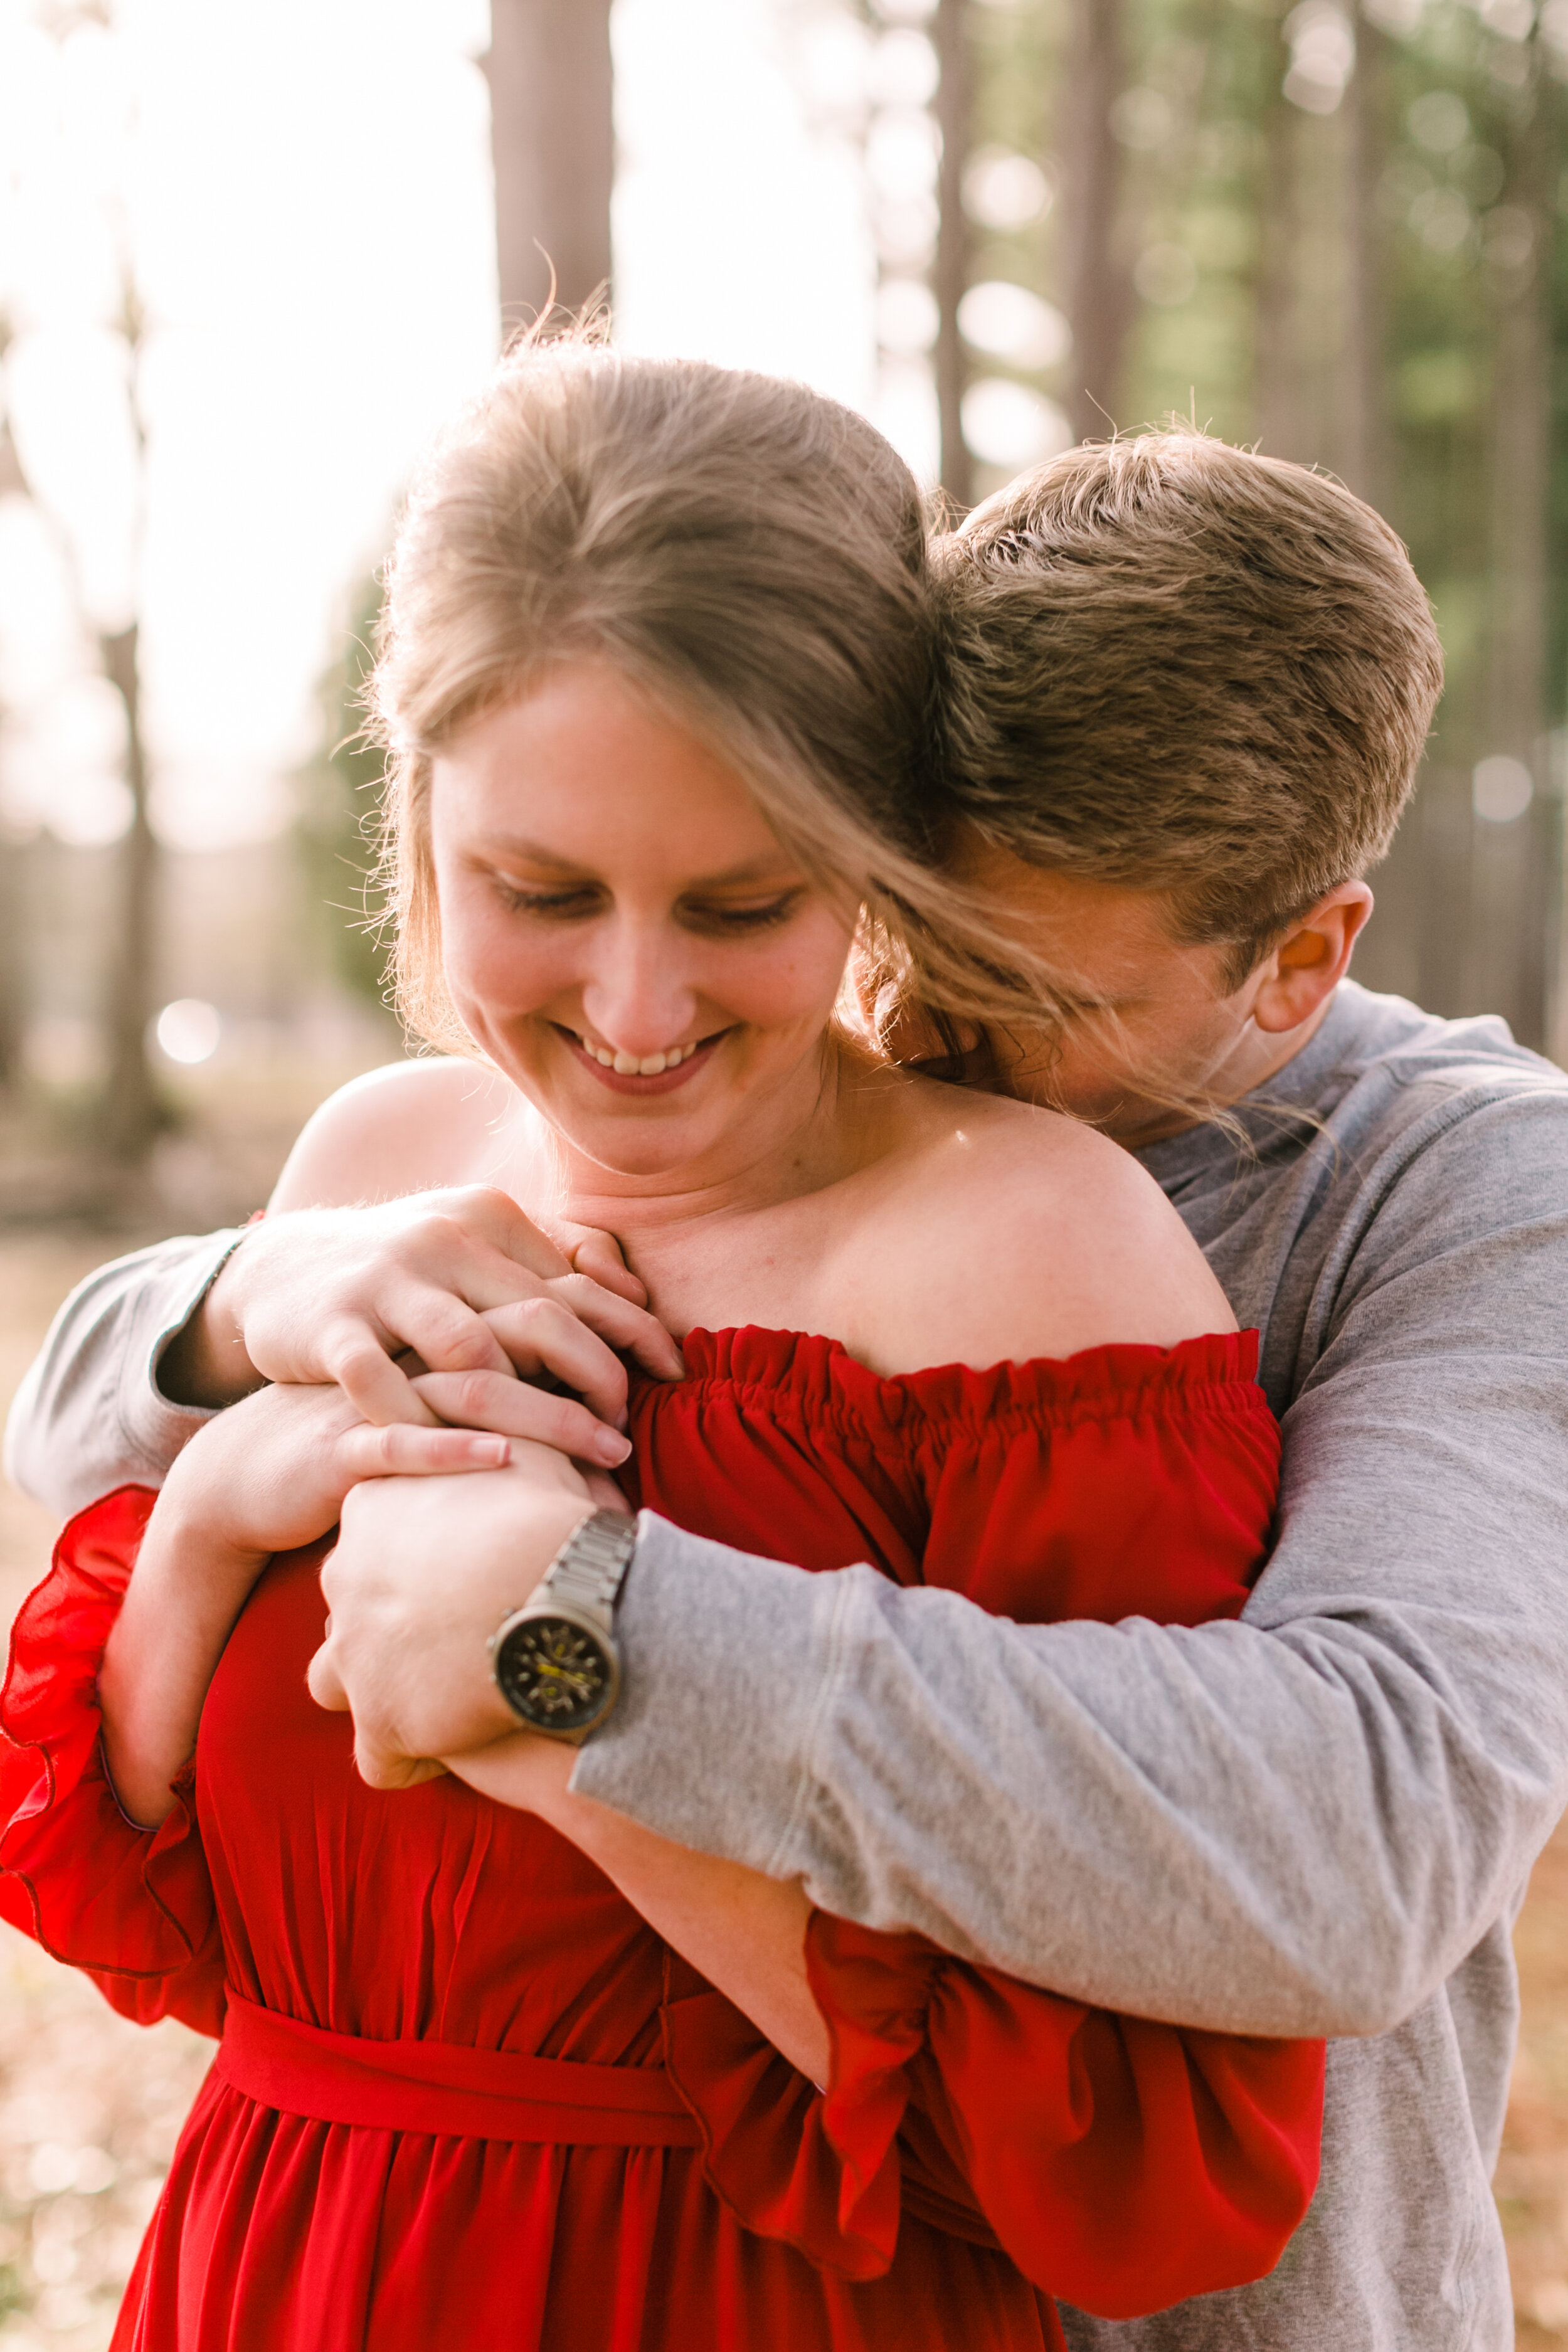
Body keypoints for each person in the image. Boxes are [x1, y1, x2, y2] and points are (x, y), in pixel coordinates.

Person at [0, 351, 1325, 2352]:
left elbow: (1142, 2153)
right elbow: (163, 1910)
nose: (633, 1004)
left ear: (875, 849)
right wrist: (206, 1506)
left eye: (741, 902)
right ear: (418, 807)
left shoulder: (1029, 1256)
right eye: (537, 893)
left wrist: (562, 1727)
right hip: (278, 2270)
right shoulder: (375, 1164)